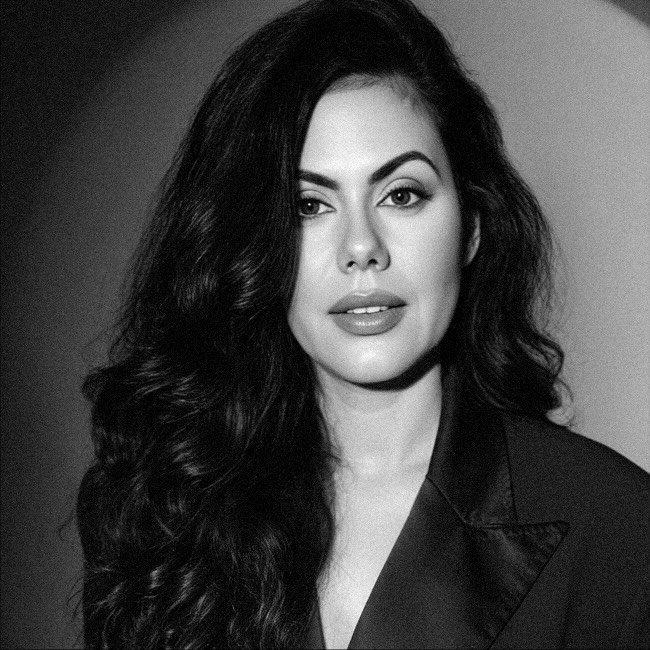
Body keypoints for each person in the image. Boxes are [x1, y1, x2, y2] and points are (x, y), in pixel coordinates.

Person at [76, 0, 649, 647]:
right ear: (250, 243)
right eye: (308, 205)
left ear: (471, 227)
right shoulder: (163, 506)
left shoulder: (619, 530)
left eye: (401, 194)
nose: (360, 247)